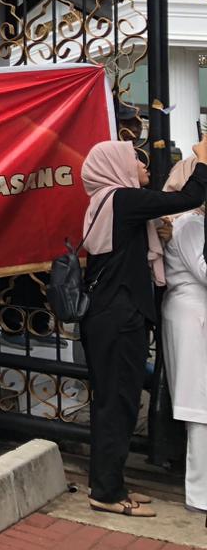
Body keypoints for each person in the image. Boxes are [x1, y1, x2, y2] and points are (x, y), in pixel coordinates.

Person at [79, 135, 207, 517]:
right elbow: (187, 198)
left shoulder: (105, 201)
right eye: (136, 160)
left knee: (113, 401)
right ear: (116, 166)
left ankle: (109, 482)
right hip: (118, 319)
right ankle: (107, 493)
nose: (144, 166)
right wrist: (203, 160)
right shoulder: (121, 199)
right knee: (117, 403)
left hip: (108, 317)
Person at [161, 158, 207, 513]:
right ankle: (200, 493)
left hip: (193, 315)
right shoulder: (190, 223)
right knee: (199, 407)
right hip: (192, 318)